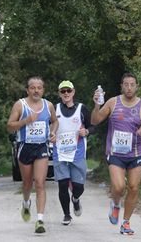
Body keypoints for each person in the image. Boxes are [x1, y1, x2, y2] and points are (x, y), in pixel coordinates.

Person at [90, 72, 141, 235]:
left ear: (136, 86)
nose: (129, 87)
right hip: (115, 153)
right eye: (126, 84)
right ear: (121, 86)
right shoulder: (113, 102)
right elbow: (95, 121)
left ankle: (126, 222)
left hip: (135, 153)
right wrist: (96, 105)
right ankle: (116, 204)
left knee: (134, 188)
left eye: (132, 84)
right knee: (119, 186)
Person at [6, 76, 58, 234]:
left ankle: (40, 220)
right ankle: (26, 202)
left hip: (41, 147)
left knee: (40, 182)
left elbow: (55, 121)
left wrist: (53, 132)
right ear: (28, 90)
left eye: (39, 88)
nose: (36, 90)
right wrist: (26, 121)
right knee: (27, 183)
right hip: (25, 147)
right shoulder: (20, 105)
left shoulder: (48, 105)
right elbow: (9, 126)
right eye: (33, 88)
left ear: (43, 90)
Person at [53, 80, 95, 226]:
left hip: (77, 153)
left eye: (68, 91)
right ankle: (66, 215)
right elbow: (48, 126)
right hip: (59, 152)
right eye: (63, 91)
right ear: (59, 93)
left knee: (79, 187)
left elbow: (92, 125)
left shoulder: (82, 109)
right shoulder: (54, 108)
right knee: (62, 185)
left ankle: (75, 199)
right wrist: (50, 134)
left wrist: (87, 131)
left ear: (73, 92)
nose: (66, 94)